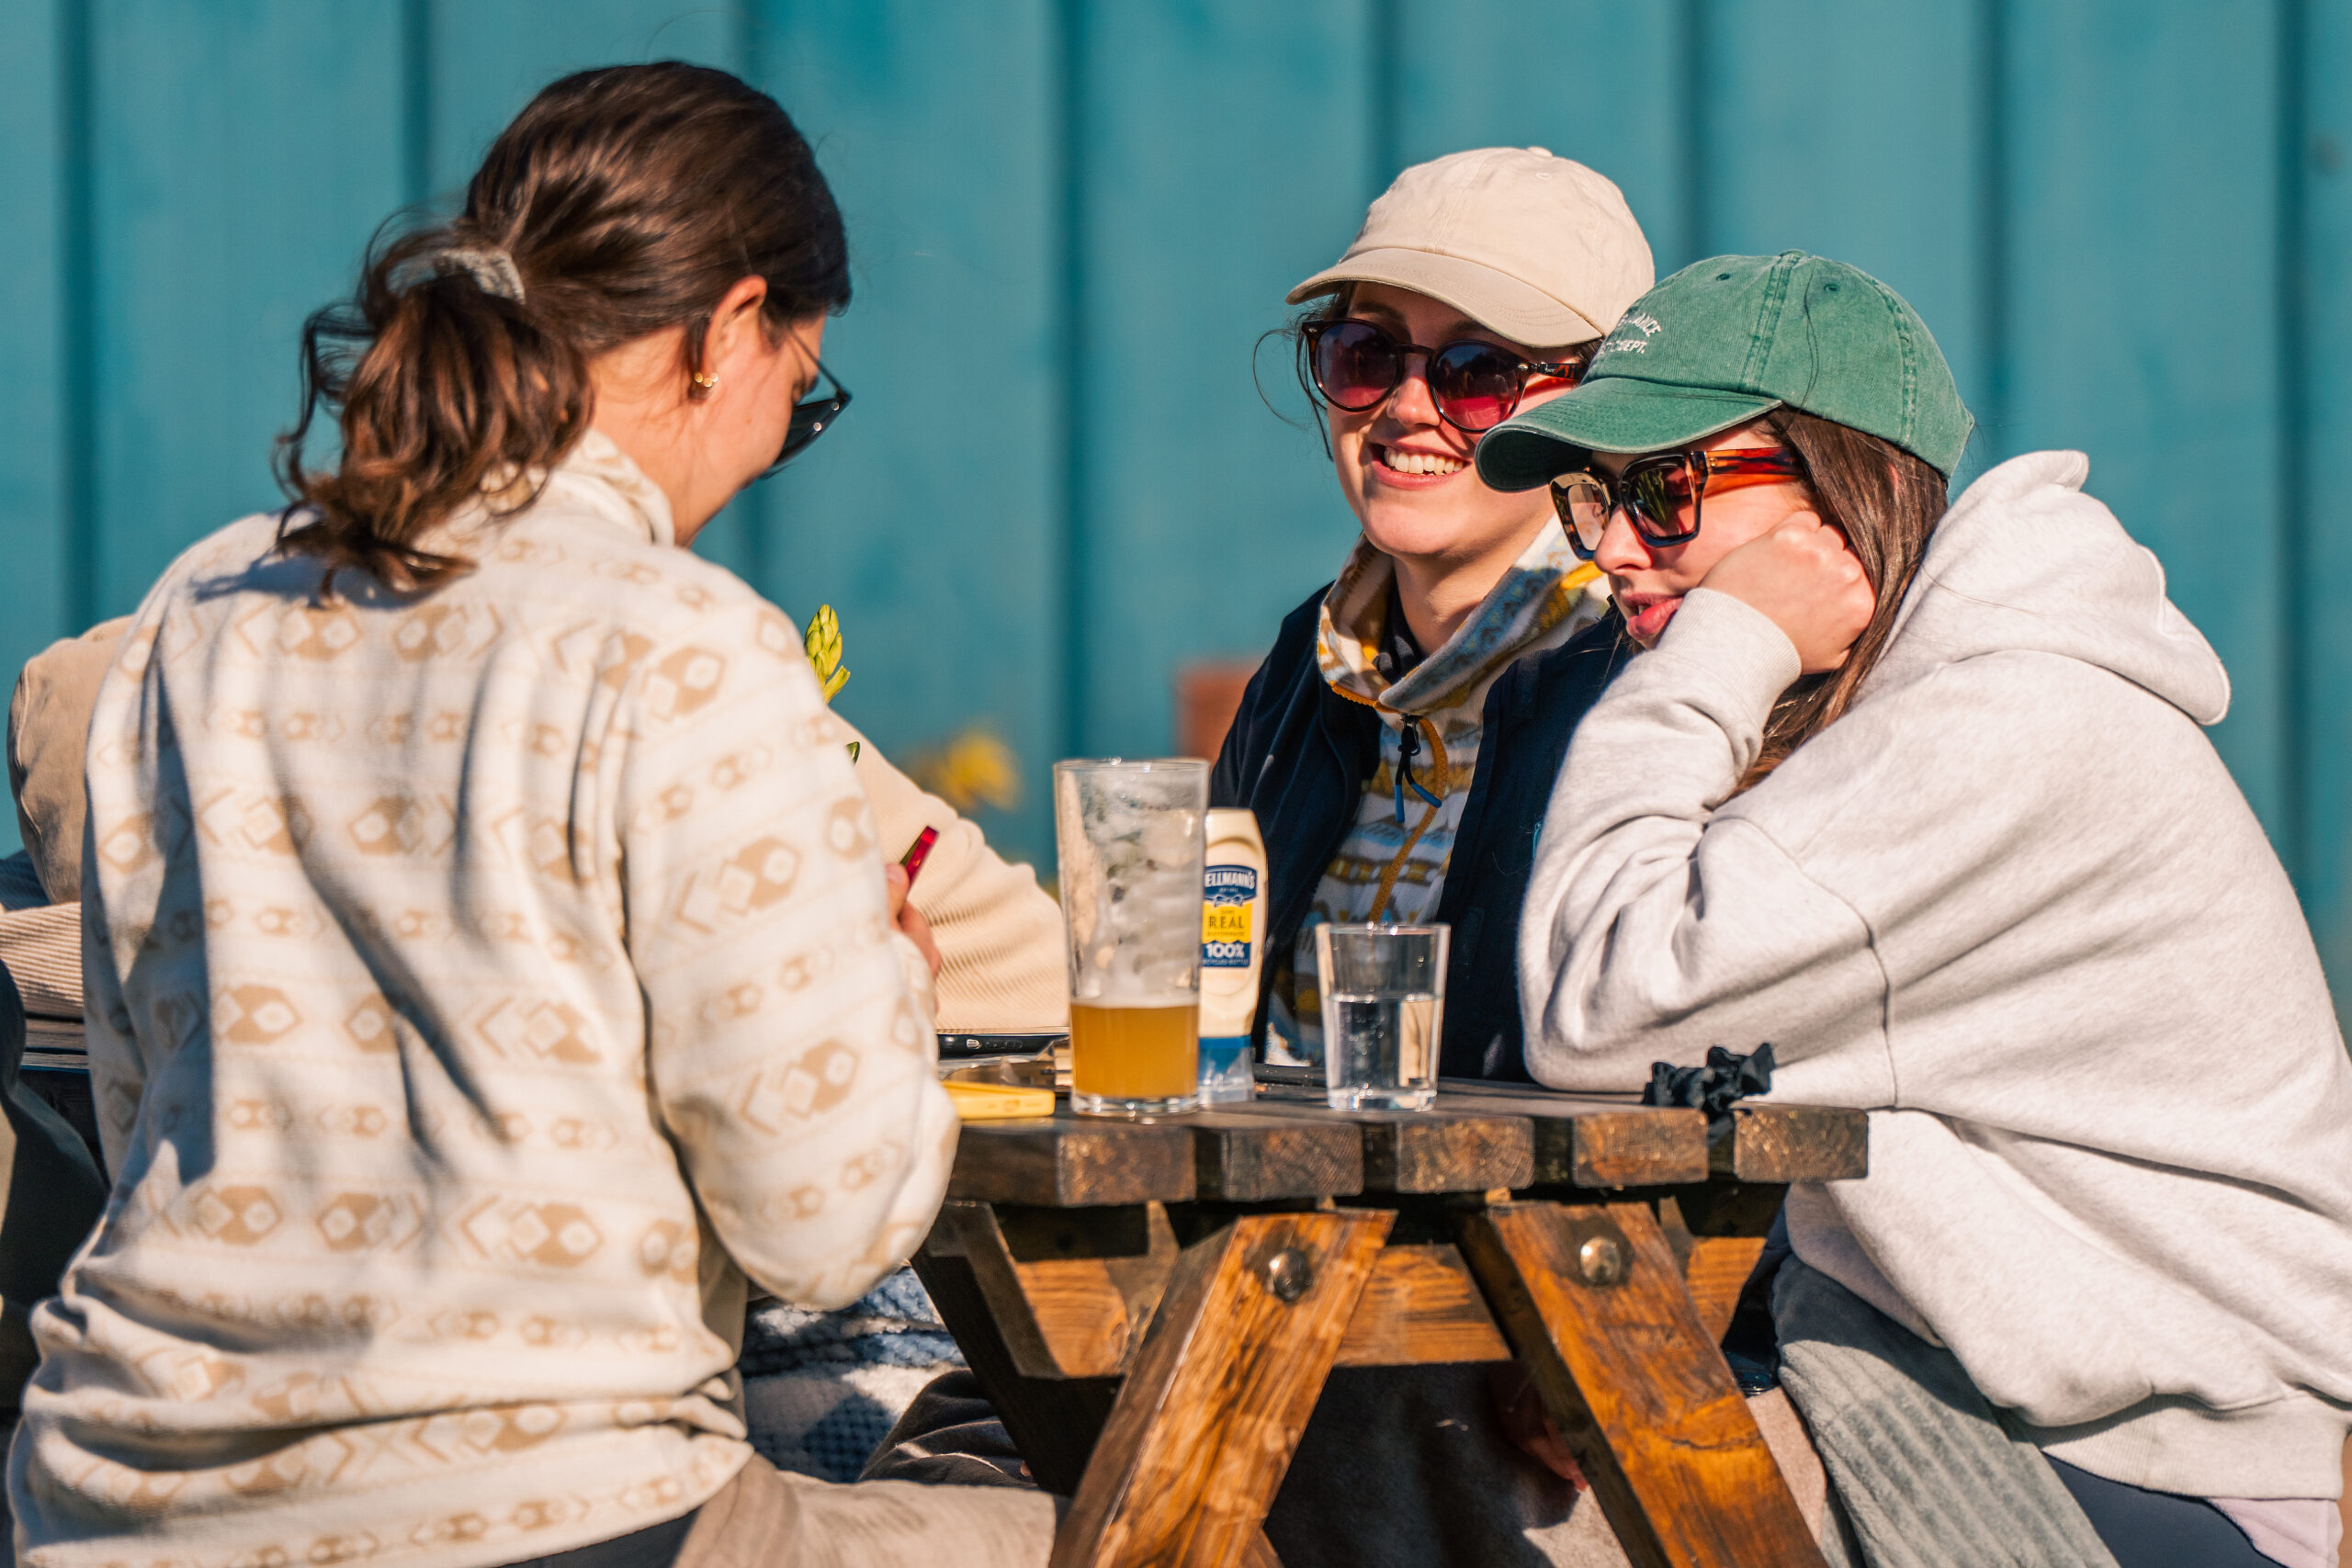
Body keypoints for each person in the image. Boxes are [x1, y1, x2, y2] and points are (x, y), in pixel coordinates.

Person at [9, 62, 1057, 1568]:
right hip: (545, 1514)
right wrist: (883, 970)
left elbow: (147, 1108)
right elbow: (824, 1227)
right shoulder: (680, 642)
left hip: (113, 1505)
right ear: (726, 332)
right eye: (800, 396)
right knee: (1159, 1534)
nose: (773, 445)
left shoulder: (201, 613)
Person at [1476, 250, 2352, 1568]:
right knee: (1435, 1443)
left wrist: (1727, 641)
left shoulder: (1996, 725)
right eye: (1593, 494)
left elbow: (1602, 1006)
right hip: (1968, 1369)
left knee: (1453, 1491)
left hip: (2148, 1463)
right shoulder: (1906, 703)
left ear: (1853, 496)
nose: (1608, 547)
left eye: (1664, 490)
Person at [1212, 145, 1653, 1084]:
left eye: (1478, 369)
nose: (1407, 406)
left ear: (1599, 408)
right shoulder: (1303, 669)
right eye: (1365, 353)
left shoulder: (1645, 681)